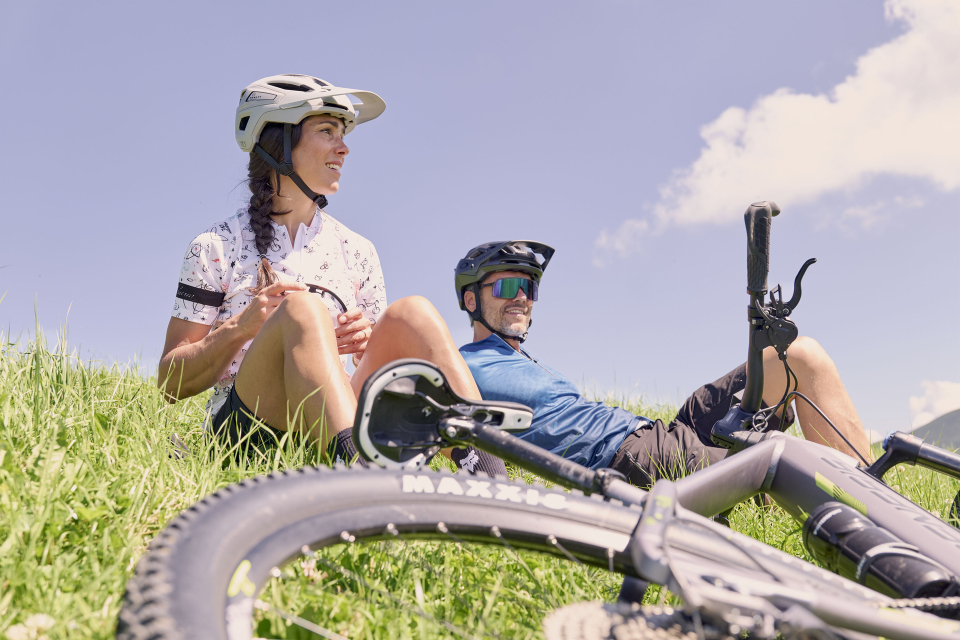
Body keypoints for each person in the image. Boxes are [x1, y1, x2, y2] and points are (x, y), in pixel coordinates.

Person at [157, 73, 502, 473]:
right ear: (279, 142)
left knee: (414, 313)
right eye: (327, 131)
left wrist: (366, 344)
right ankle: (363, 480)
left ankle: (492, 478)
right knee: (303, 309)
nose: (344, 148)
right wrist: (241, 327)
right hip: (247, 436)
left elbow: (375, 373)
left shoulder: (358, 250)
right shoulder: (215, 246)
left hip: (332, 427)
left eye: (343, 134)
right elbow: (170, 384)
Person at [454, 241, 873, 487]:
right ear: (471, 299)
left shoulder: (523, 361)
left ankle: (880, 495)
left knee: (798, 356)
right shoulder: (461, 366)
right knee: (785, 471)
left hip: (665, 430)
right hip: (631, 457)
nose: (522, 297)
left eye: (528, 288)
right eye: (508, 285)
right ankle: (874, 523)